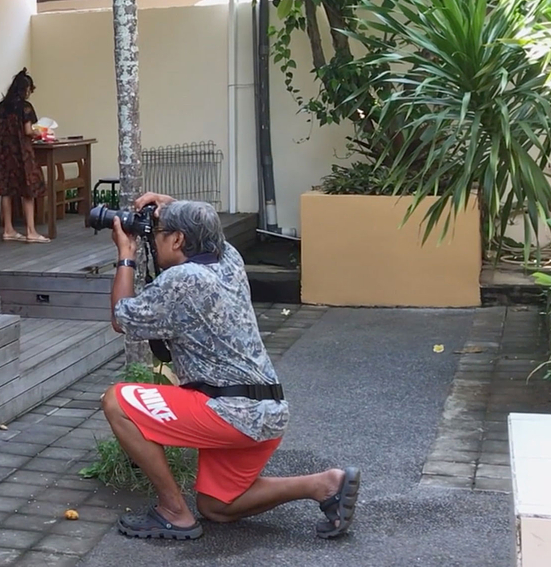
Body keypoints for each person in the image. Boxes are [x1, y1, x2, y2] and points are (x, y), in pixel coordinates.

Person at [103, 193, 361, 540]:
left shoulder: (183, 280)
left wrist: (126, 255)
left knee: (117, 402)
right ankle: (323, 484)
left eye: (158, 231)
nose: (152, 235)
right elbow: (206, 228)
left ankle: (173, 512)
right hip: (267, 411)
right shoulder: (230, 260)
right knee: (216, 507)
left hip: (227, 413)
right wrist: (168, 205)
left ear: (178, 239)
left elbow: (122, 317)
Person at [0, 69, 48, 243]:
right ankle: (31, 232)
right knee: (27, 189)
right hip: (22, 153)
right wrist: (39, 134)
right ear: (26, 89)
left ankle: (8, 230)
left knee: (6, 190)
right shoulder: (25, 107)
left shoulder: (2, 106)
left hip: (3, 153)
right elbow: (28, 130)